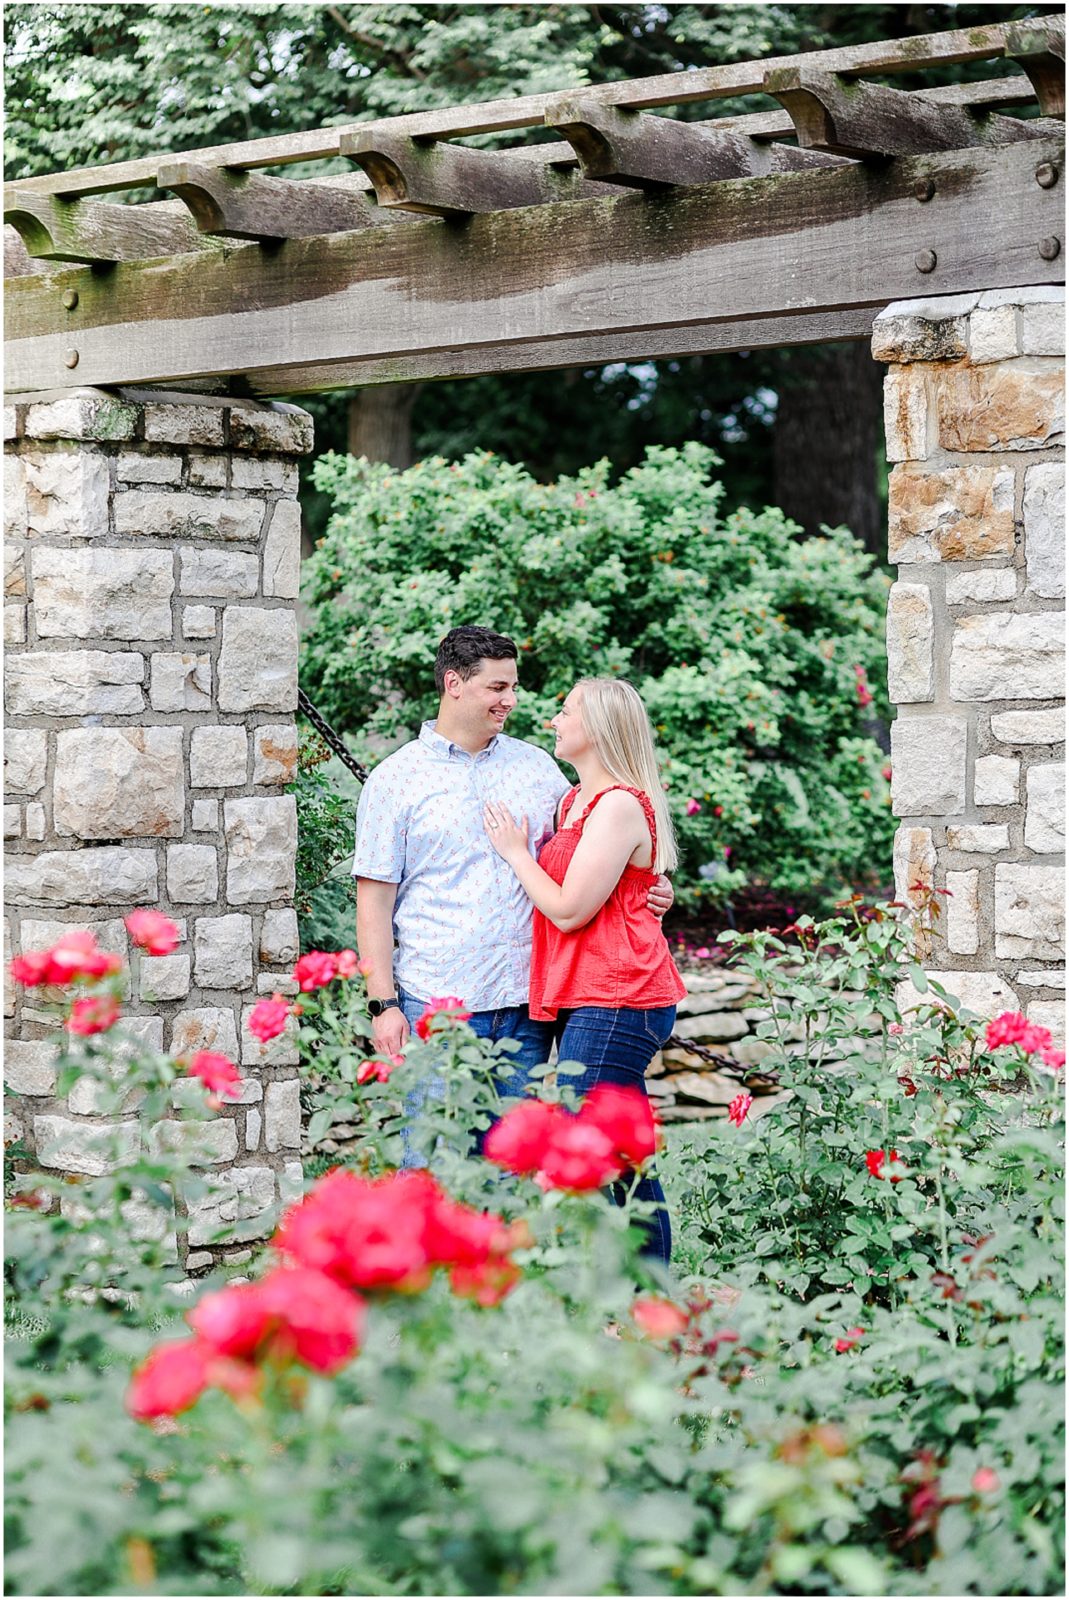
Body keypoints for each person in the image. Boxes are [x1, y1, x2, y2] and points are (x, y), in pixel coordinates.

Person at [352, 627, 673, 1119]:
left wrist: (648, 885)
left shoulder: (539, 768)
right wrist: (383, 1003)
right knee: (435, 1160)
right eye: (498, 688)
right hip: (440, 1004)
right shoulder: (395, 780)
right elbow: (374, 900)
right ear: (454, 684)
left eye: (513, 687)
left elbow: (590, 850)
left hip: (530, 1006)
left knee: (513, 1168)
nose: (512, 701)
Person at [482, 676, 686, 1264]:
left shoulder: (620, 804)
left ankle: (648, 1288)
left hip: (623, 994)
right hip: (590, 992)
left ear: (596, 727)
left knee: (598, 1135)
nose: (554, 720)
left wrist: (517, 853)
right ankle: (639, 1285)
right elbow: (622, 890)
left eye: (565, 712)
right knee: (614, 1139)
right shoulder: (575, 802)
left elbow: (570, 910)